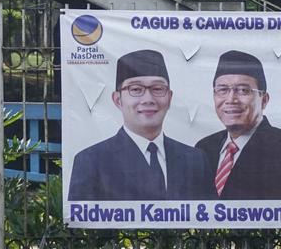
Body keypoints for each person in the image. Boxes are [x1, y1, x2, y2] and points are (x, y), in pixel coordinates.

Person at [68, 49, 215, 200]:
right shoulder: (91, 161)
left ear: (170, 98)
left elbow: (211, 219)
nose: (148, 99)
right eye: (136, 89)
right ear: (118, 100)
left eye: (157, 89)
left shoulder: (195, 159)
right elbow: (81, 221)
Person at [195, 50, 281, 200]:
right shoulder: (203, 149)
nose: (231, 99)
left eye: (243, 90)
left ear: (264, 100)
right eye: (222, 90)